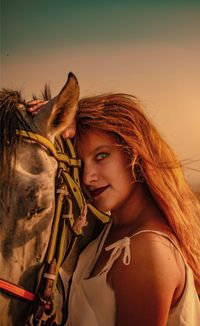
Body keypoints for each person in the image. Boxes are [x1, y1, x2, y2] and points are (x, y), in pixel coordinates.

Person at [28, 93, 200, 325]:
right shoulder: (110, 230)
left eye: (101, 156)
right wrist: (58, 118)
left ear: (135, 152)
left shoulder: (146, 250)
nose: (87, 177)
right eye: (81, 163)